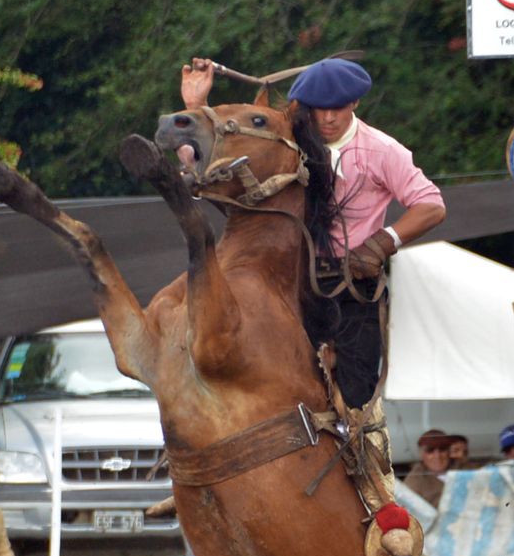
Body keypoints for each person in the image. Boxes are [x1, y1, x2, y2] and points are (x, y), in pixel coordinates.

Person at [180, 55, 445, 413]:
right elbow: (212, 159)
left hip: (352, 286)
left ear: (354, 102)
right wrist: (195, 106)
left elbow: (431, 204)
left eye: (336, 108)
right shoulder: (286, 139)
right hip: (285, 281)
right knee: (270, 384)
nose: (328, 118)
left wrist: (382, 244)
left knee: (357, 401)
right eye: (318, 109)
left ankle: (367, 463)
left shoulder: (381, 150)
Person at [402, 429, 451, 506]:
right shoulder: (415, 480)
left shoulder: (463, 469)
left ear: (449, 451)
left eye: (442, 449)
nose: (437, 456)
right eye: (430, 450)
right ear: (421, 454)